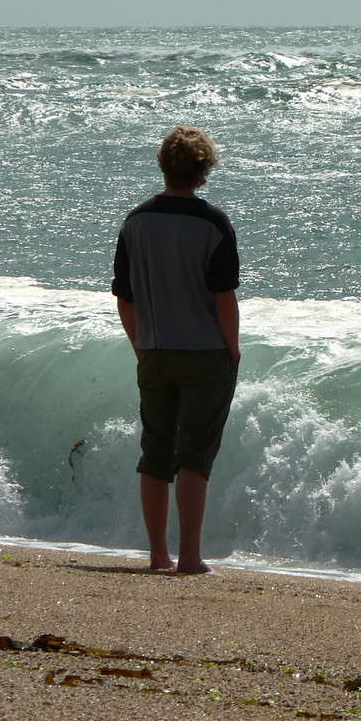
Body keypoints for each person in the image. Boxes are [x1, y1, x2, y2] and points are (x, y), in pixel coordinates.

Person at [111, 125, 240, 574]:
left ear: (164, 165)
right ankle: (189, 557)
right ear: (204, 170)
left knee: (156, 453)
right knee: (195, 456)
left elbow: (124, 297)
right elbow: (224, 298)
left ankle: (157, 555)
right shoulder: (213, 223)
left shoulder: (136, 221)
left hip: (155, 348)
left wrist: (140, 345)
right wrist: (233, 350)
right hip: (204, 351)